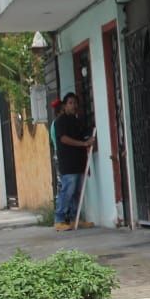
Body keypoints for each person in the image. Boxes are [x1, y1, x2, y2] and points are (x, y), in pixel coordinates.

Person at [53, 93, 95, 231]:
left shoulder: (77, 121)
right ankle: (59, 220)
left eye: (75, 103)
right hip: (68, 163)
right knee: (67, 191)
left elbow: (84, 136)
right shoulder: (60, 121)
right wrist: (83, 144)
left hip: (79, 161)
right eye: (70, 103)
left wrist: (88, 140)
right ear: (65, 105)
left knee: (77, 192)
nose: (73, 105)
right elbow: (64, 139)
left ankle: (74, 219)